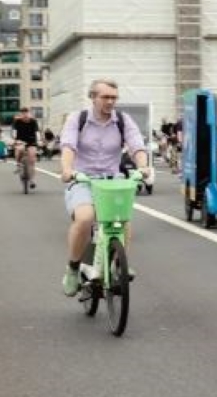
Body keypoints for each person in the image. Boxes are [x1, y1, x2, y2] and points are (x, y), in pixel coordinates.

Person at [59, 79, 151, 296]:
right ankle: (73, 268)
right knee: (84, 218)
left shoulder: (123, 120)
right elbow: (68, 146)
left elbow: (136, 145)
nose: (110, 102)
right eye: (105, 97)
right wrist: (66, 169)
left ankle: (119, 265)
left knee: (122, 220)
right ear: (93, 97)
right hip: (83, 179)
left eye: (114, 97)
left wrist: (143, 166)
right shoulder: (77, 119)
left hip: (113, 181)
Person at [12, 107, 41, 187]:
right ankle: (18, 164)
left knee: (32, 159)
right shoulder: (17, 121)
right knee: (18, 151)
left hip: (31, 141)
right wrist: (15, 139)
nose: (25, 115)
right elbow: (14, 132)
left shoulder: (33, 121)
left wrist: (39, 140)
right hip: (20, 141)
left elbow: (37, 132)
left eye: (26, 113)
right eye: (23, 113)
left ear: (29, 113)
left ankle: (32, 180)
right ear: (20, 114)